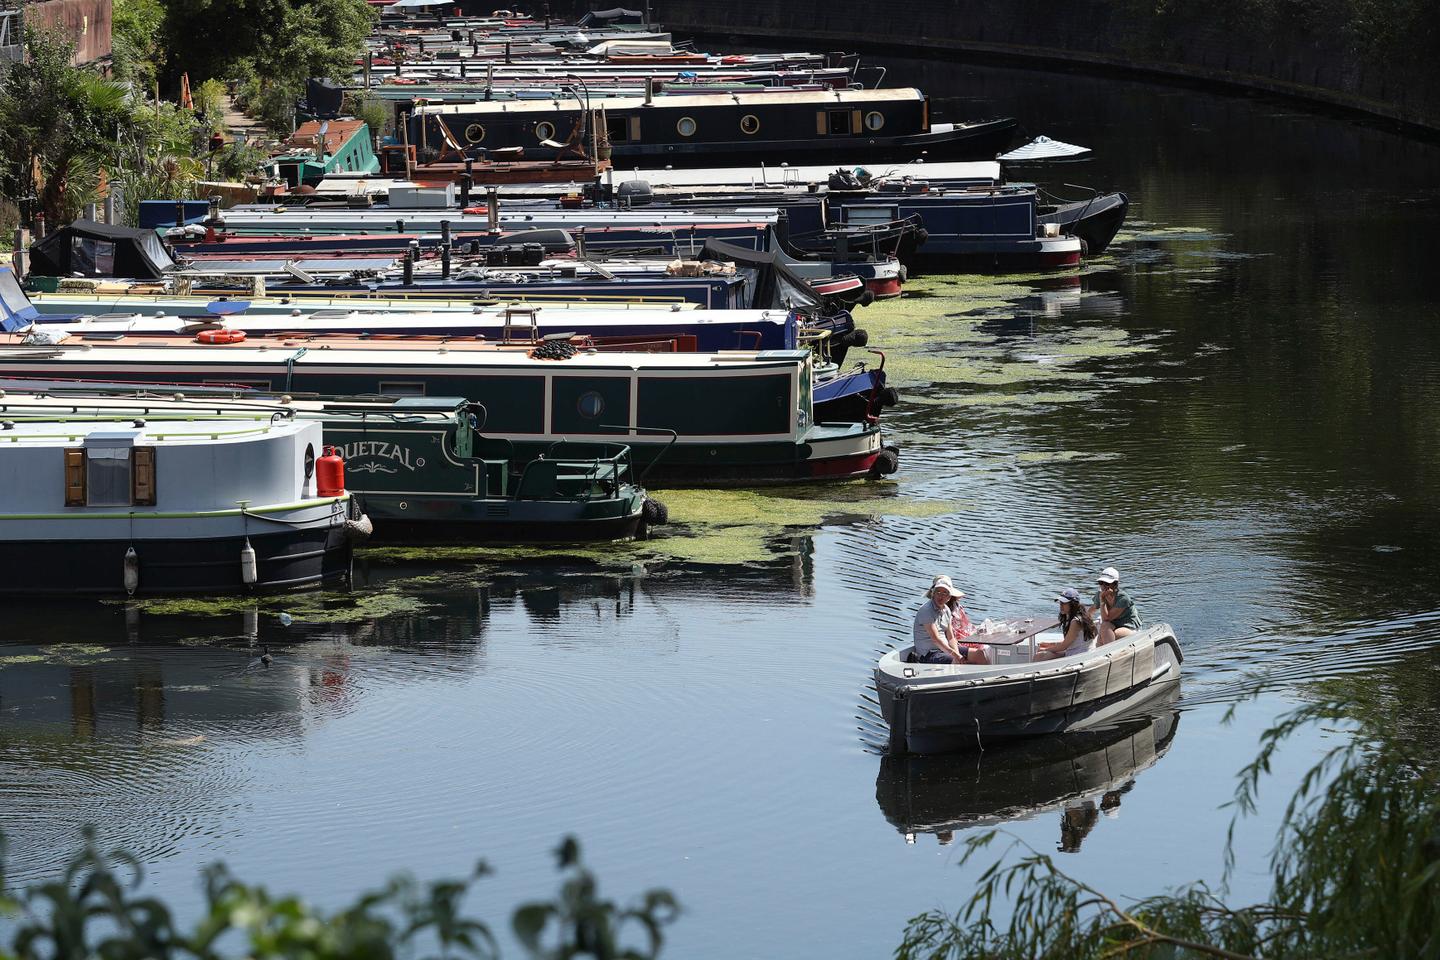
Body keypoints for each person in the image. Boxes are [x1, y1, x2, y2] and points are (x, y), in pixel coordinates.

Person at [912, 575, 986, 665]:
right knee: (955, 662)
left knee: (979, 654)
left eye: (944, 593)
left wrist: (957, 653)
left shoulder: (946, 610)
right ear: (933, 593)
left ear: (949, 597)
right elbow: (935, 639)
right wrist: (956, 656)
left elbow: (951, 638)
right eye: (938, 592)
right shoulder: (926, 610)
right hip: (929, 654)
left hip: (944, 649)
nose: (940, 596)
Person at [1035, 588, 1098, 661]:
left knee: (1039, 656)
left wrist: (1046, 648)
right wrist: (1050, 644)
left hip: (1078, 657)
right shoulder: (1083, 615)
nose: (1061, 606)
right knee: (1042, 654)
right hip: (1079, 653)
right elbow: (1071, 642)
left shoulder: (1075, 622)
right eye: (1060, 603)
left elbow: (1064, 646)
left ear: (1073, 604)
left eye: (1064, 603)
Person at [1091, 566, 1141, 645]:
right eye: (1101, 583)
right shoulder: (1100, 594)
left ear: (1115, 584)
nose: (1103, 586)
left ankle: (1110, 653)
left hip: (1129, 627)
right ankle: (1103, 653)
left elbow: (1106, 618)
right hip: (1112, 625)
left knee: (1112, 632)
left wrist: (1102, 598)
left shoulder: (1123, 598)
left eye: (1107, 583)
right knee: (1103, 632)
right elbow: (1091, 611)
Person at [946, 591, 991, 665]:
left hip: (958, 637)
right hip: (955, 641)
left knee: (984, 649)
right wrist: (957, 655)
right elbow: (950, 636)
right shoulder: (942, 611)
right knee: (981, 650)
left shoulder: (956, 606)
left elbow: (965, 625)